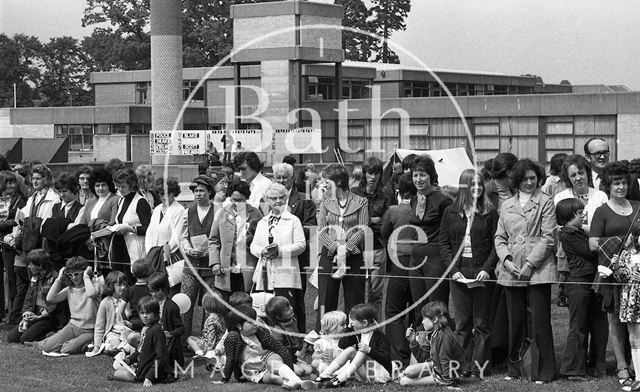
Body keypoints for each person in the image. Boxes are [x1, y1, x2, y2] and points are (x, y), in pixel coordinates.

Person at [494, 158, 557, 383]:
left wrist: (530, 264)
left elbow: (549, 237)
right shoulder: (506, 205)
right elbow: (500, 237)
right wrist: (507, 261)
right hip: (511, 269)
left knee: (539, 320)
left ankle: (542, 370)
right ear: (517, 181)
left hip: (539, 269)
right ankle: (516, 368)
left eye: (533, 178)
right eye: (525, 179)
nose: (530, 182)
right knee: (515, 320)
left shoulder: (546, 201)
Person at [440, 168, 498, 377]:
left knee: (482, 323)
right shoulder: (450, 212)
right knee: (462, 323)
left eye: (480, 184)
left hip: (481, 271)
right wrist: (453, 271)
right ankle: (463, 366)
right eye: (472, 184)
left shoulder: (490, 212)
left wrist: (486, 269)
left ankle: (480, 368)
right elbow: (444, 245)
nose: (477, 188)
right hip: (459, 273)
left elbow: (496, 244)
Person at [590, 161, 640, 385]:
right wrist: (623, 242)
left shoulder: (639, 206)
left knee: (637, 323)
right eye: (616, 183)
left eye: (623, 182)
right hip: (614, 276)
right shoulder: (602, 212)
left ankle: (636, 366)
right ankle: (622, 368)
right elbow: (593, 244)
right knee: (616, 322)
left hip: (637, 276)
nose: (620, 187)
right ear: (608, 186)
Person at [556, 198, 607, 380]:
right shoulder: (568, 234)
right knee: (578, 326)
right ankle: (573, 370)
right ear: (571, 215)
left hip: (589, 282)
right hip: (579, 283)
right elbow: (589, 250)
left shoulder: (577, 231)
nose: (583, 215)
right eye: (580, 213)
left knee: (595, 324)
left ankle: (591, 363)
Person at [316, 164, 369, 326]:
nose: (323, 185)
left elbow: (363, 229)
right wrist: (336, 248)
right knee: (326, 298)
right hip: (329, 255)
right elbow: (321, 231)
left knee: (354, 300)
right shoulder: (325, 202)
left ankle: (353, 338)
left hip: (353, 256)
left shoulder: (361, 202)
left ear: (339, 181)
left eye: (327, 182)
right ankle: (322, 338)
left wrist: (346, 249)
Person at [10, 164, 61, 327]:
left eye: (39, 178)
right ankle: (27, 315)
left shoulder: (54, 197)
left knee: (43, 280)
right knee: (32, 280)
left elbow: (51, 221)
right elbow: (23, 216)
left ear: (46, 179)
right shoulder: (33, 197)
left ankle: (43, 316)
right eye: (33, 178)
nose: (35, 181)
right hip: (29, 242)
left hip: (43, 242)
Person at [222, 304, 312, 389]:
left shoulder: (259, 333)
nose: (256, 324)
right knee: (273, 378)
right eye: (251, 322)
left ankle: (298, 381)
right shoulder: (232, 337)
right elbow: (231, 359)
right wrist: (224, 379)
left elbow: (280, 348)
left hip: (267, 358)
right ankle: (293, 382)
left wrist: (289, 367)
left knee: (275, 363)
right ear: (239, 326)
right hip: (253, 370)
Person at [250, 183, 306, 320]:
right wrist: (262, 251)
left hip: (285, 274)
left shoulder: (293, 220)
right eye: (273, 198)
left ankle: (291, 340)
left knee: (286, 312)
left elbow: (301, 245)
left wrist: (279, 251)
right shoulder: (262, 222)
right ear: (267, 200)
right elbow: (253, 246)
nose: (278, 201)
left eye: (281, 197)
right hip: (265, 274)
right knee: (264, 312)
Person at [272, 163, 316, 333]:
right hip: (274, 258)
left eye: (285, 177)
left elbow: (312, 227)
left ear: (292, 178)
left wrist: (291, 229)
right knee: (275, 299)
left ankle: (299, 337)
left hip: (297, 257)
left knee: (296, 300)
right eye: (278, 177)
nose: (281, 181)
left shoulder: (305, 199)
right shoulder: (270, 199)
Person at [408, 155, 452, 317]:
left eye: (422, 175)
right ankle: (420, 342)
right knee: (419, 308)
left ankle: (441, 341)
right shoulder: (414, 200)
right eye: (415, 175)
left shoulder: (443, 201)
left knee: (436, 308)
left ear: (431, 176)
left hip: (436, 260)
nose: (418, 179)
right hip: (416, 260)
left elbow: (451, 232)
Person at [381, 174, 417, 365]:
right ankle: (416, 352)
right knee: (416, 310)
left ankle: (399, 353)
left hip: (400, 264)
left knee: (393, 310)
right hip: (420, 264)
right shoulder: (422, 209)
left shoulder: (393, 211)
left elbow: (383, 232)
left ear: (398, 190)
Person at [178, 175, 219, 338]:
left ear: (210, 192)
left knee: (209, 304)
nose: (198, 194)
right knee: (185, 302)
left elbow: (223, 238)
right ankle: (182, 340)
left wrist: (212, 252)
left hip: (210, 264)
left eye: (202, 191)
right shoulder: (187, 212)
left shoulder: (219, 211)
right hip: (191, 264)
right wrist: (188, 250)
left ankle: (208, 339)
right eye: (196, 191)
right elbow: (182, 237)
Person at [315, 303, 392, 386]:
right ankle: (325, 374)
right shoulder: (357, 334)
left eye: (352, 320)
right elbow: (342, 345)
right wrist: (349, 328)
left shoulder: (379, 337)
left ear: (364, 323)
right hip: (364, 373)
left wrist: (370, 350)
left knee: (363, 351)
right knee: (350, 350)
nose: (351, 323)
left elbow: (386, 359)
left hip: (378, 374)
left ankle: (339, 379)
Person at [351, 157, 391, 316]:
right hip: (356, 249)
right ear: (364, 174)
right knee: (355, 293)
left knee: (376, 294)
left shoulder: (385, 196)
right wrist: (371, 220)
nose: (373, 177)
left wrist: (369, 222)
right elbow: (352, 221)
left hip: (377, 248)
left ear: (381, 175)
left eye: (376, 173)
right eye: (370, 173)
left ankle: (375, 332)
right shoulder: (354, 193)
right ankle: (355, 328)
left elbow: (387, 224)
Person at [209, 181, 263, 297]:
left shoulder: (256, 214)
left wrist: (250, 238)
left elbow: (262, 239)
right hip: (226, 268)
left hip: (247, 267)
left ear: (247, 198)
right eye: (234, 200)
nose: (237, 203)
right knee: (226, 305)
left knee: (246, 303)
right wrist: (215, 263)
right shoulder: (221, 213)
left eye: (240, 200)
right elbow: (213, 240)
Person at [39, 256, 100, 355]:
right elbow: (50, 298)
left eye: (77, 274)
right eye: (70, 275)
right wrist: (59, 279)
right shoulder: (69, 289)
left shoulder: (94, 285)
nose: (74, 277)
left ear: (85, 271)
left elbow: (91, 294)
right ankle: (59, 339)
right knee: (45, 347)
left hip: (89, 330)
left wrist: (86, 276)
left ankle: (87, 344)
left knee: (66, 349)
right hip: (72, 326)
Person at [400, 301, 465, 387]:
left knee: (404, 381)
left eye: (424, 318)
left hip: (446, 374)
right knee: (408, 371)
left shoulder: (444, 335)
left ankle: (441, 380)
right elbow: (423, 358)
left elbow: (445, 360)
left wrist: (448, 383)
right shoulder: (434, 333)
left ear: (435, 319)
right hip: (436, 366)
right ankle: (432, 375)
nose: (422, 322)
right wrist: (412, 341)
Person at [7, 249, 65, 344]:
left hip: (49, 317)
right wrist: (26, 315)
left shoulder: (56, 279)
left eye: (31, 264)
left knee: (25, 339)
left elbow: (55, 306)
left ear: (40, 266)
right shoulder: (35, 277)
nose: (29, 267)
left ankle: (52, 334)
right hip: (35, 314)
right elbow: (29, 298)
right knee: (12, 337)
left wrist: (38, 317)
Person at [112, 296, 172, 386]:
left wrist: (149, 378)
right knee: (118, 369)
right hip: (142, 368)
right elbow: (140, 351)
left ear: (155, 314)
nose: (144, 316)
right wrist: (129, 360)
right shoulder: (146, 328)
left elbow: (161, 357)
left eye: (148, 313)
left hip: (150, 373)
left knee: (116, 374)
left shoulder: (156, 331)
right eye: (142, 313)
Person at [111, 168, 152, 276]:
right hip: (121, 248)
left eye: (123, 186)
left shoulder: (141, 202)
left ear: (132, 185)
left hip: (135, 249)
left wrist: (129, 228)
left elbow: (149, 228)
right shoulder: (121, 200)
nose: (120, 189)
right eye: (118, 186)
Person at [0, 170, 26, 324]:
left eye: (13, 182)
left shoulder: (20, 201)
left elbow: (18, 221)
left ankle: (13, 314)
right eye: (8, 182)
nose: (11, 185)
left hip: (10, 244)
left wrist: (5, 224)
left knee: (11, 278)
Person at [265, 296, 312, 376]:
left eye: (290, 305)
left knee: (309, 370)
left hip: (294, 358)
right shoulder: (277, 331)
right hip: (283, 361)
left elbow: (297, 341)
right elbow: (278, 351)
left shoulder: (293, 320)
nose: (291, 308)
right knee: (300, 371)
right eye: (287, 309)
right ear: (278, 316)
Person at [147, 272, 185, 367]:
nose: (153, 294)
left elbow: (181, 329)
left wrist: (170, 334)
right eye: (151, 291)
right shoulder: (152, 304)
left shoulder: (171, 307)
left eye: (156, 291)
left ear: (164, 288)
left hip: (167, 344)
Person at [87, 271, 129, 356]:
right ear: (111, 286)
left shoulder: (128, 300)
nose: (123, 287)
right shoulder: (106, 302)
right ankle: (112, 348)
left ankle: (118, 349)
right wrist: (97, 346)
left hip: (127, 332)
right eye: (119, 285)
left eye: (124, 284)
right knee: (115, 345)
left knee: (130, 345)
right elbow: (100, 325)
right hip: (113, 333)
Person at [144, 177, 185, 257]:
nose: (164, 197)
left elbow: (177, 236)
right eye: (161, 194)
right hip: (153, 256)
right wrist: (150, 253)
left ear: (173, 193)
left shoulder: (179, 210)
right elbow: (149, 233)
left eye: (167, 193)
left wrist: (164, 253)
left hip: (170, 256)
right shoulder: (157, 209)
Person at [187, 291, 226, 360]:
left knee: (190, 339)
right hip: (219, 344)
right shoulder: (220, 316)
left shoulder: (211, 319)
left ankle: (201, 354)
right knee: (190, 346)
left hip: (211, 345)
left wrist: (209, 349)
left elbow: (211, 337)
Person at [123, 260, 153, 333]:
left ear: (133, 272)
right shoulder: (152, 289)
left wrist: (126, 321)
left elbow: (120, 310)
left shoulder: (129, 290)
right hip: (150, 322)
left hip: (134, 322)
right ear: (149, 272)